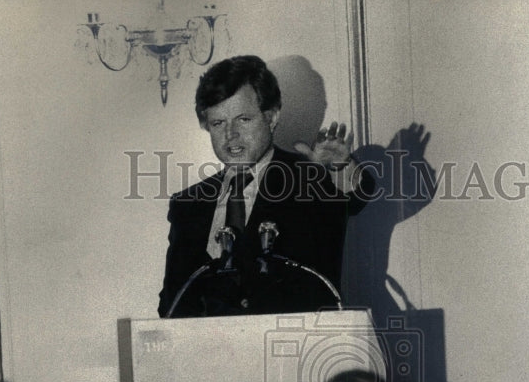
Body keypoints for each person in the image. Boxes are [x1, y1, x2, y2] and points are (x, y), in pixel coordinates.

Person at [157, 55, 374, 317]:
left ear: (271, 118)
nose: (231, 135)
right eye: (218, 123)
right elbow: (172, 303)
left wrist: (340, 168)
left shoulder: (309, 181)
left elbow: (355, 198)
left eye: (243, 119)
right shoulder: (187, 204)